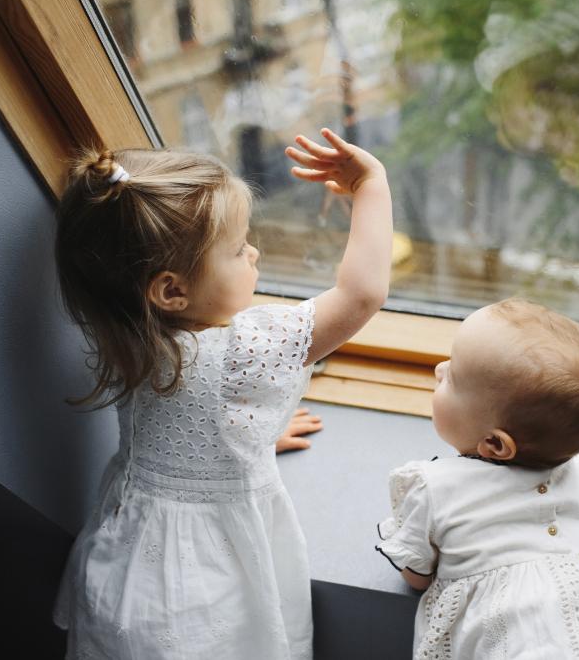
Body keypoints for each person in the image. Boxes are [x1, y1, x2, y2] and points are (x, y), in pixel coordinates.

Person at [53, 128, 392, 659]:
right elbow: (361, 294)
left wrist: (246, 439)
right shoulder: (242, 352)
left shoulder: (126, 328)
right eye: (237, 249)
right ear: (171, 290)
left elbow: (183, 426)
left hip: (127, 565)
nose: (253, 252)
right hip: (204, 588)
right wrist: (371, 184)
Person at [376, 298, 579, 659]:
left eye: (454, 377)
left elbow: (417, 577)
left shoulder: (435, 488)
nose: (439, 369)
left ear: (495, 444)